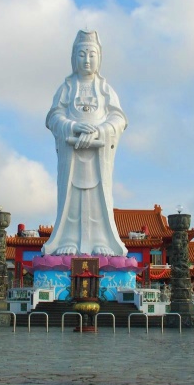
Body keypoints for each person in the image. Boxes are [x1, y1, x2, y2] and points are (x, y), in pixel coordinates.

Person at [41, 31, 128, 257]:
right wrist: (73, 127)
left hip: (99, 153)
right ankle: (68, 239)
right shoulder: (67, 88)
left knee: (98, 197)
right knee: (71, 196)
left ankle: (101, 240)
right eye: (81, 54)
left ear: (99, 58)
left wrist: (100, 130)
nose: (87, 60)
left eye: (91, 55)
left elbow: (119, 119)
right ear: (73, 58)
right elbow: (53, 117)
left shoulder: (105, 89)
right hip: (73, 153)